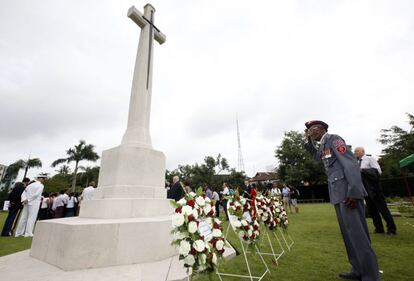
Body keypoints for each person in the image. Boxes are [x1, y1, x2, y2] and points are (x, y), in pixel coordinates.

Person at [304, 120, 379, 281]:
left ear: (321, 129)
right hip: (338, 194)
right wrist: (307, 141)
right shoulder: (323, 146)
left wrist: (354, 192)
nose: (310, 132)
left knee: (358, 236)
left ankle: (370, 275)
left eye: (312, 129)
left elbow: (351, 164)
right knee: (349, 235)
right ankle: (357, 269)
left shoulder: (334, 139)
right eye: (308, 130)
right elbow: (316, 157)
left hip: (348, 194)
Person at [354, 147, 397, 235]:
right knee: (372, 210)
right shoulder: (357, 162)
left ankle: (392, 229)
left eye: (357, 151)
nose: (355, 152)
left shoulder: (369, 159)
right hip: (365, 190)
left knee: (383, 209)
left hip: (374, 189)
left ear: (363, 151)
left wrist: (363, 170)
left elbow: (378, 171)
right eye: (354, 151)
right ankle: (379, 229)